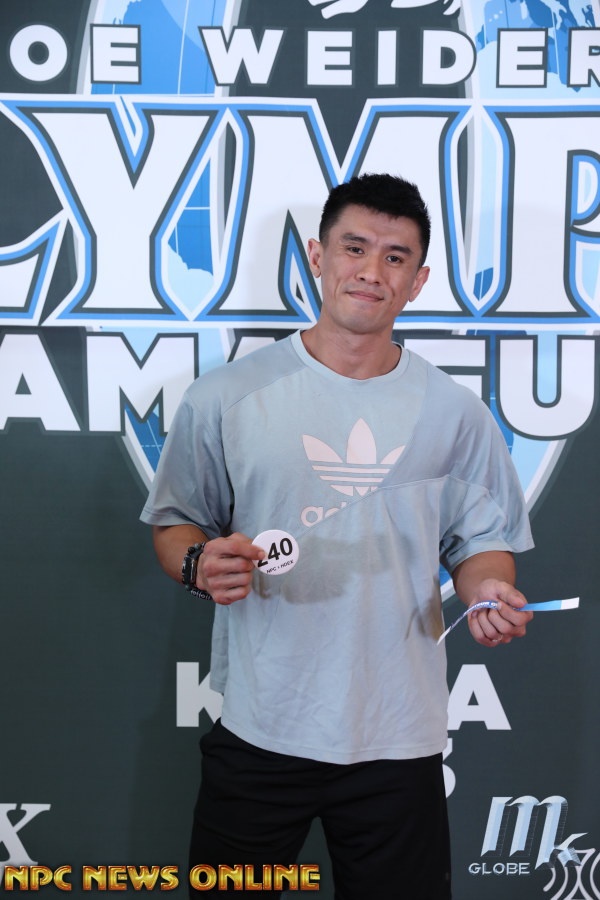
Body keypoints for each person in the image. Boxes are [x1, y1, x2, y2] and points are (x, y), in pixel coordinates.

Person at [141, 173, 534, 898]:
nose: (371, 270)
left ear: (417, 281)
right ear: (318, 257)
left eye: (394, 257)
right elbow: (175, 523)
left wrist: (488, 591)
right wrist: (197, 563)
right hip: (261, 726)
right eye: (354, 248)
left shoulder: (456, 414)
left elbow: (483, 542)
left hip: (400, 736)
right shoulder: (227, 395)